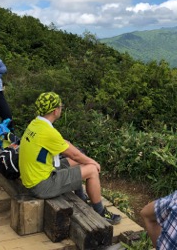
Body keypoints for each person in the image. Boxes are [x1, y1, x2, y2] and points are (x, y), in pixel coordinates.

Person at [19, 92, 121, 225]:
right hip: (41, 186)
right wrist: (93, 162)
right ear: (55, 110)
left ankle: (80, 197)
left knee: (76, 161)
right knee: (91, 170)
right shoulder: (48, 132)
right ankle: (100, 212)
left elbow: (64, 143)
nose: (61, 108)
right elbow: (74, 155)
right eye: (61, 106)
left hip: (34, 176)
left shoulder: (36, 124)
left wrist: (79, 155)